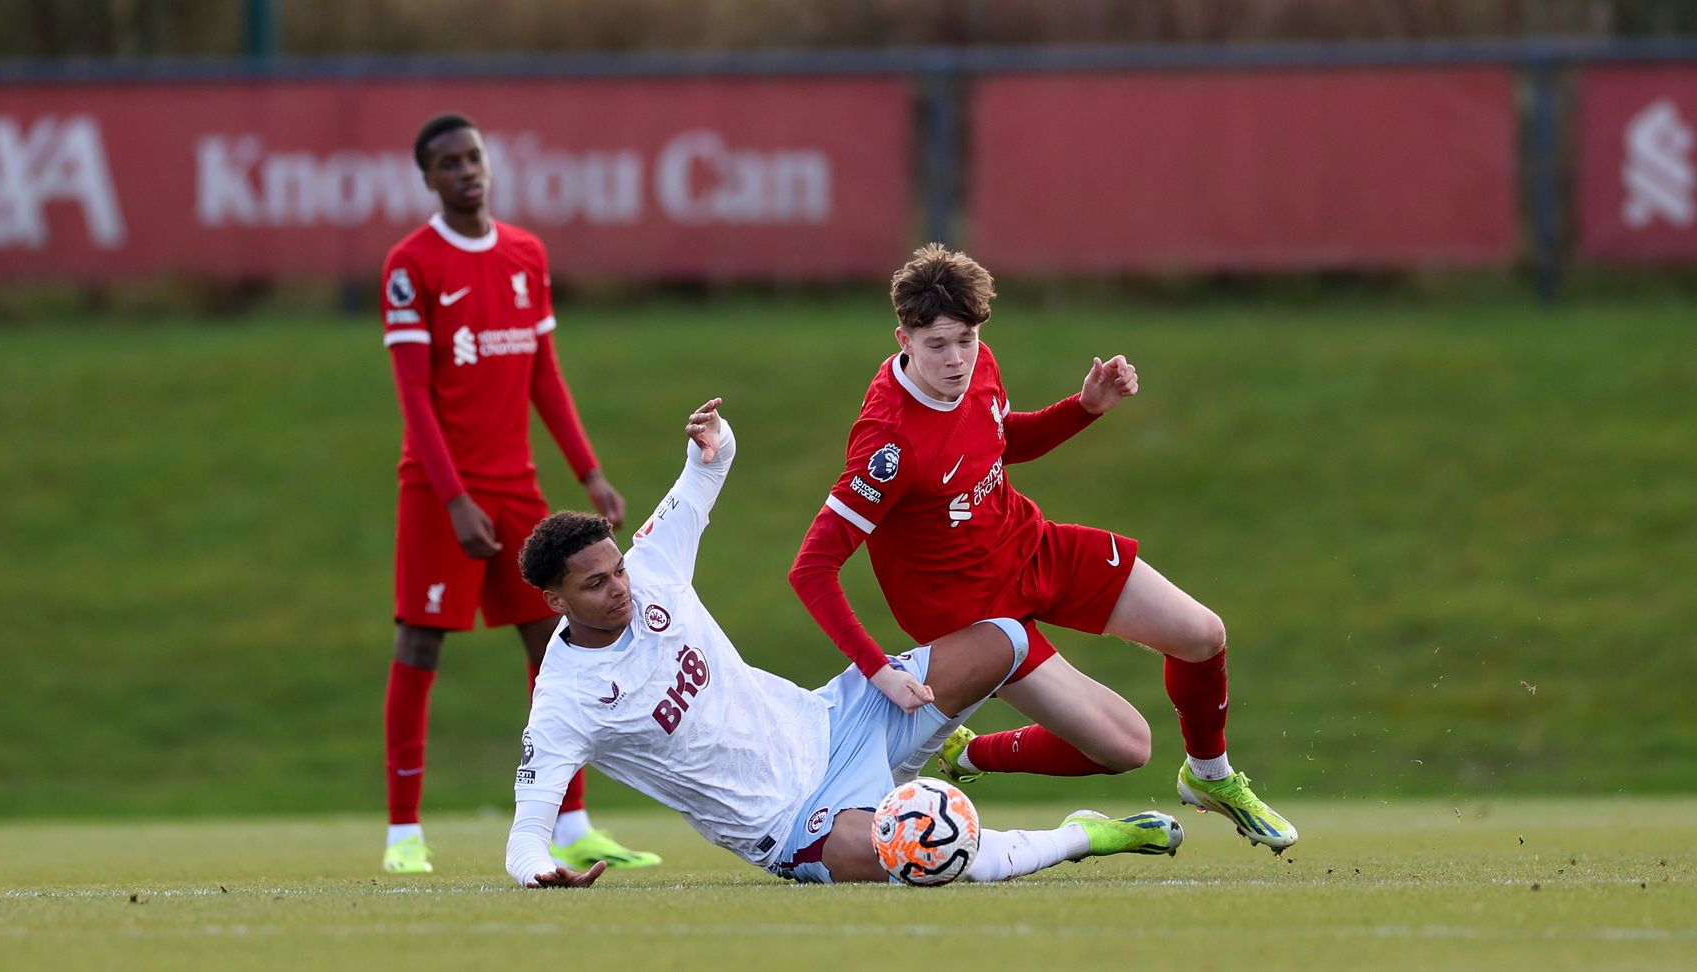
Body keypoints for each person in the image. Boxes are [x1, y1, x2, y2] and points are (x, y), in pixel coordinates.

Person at [505, 399, 1182, 888]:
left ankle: (961, 752)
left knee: (1003, 638)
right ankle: (1083, 835)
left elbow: (706, 474)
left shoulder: (650, 569)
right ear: (556, 601)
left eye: (617, 568)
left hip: (834, 719)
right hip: (795, 820)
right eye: (596, 585)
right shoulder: (565, 700)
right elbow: (526, 835)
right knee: (930, 860)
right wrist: (541, 871)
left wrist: (709, 442)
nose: (620, 588)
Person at [788, 244, 1297, 852]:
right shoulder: (888, 446)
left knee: (1202, 633)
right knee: (1127, 748)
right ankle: (972, 754)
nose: (956, 361)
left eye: (967, 340)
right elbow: (811, 569)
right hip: (974, 614)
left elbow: (1001, 442)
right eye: (937, 346)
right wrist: (880, 671)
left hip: (1029, 545)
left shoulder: (978, 367)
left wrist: (1084, 409)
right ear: (903, 338)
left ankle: (1211, 778)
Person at [377, 112, 657, 874]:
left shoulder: (525, 254)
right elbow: (415, 397)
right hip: (442, 491)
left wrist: (589, 470)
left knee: (559, 642)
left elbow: (544, 374)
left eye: (475, 156)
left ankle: (572, 823)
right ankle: (404, 835)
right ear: (428, 179)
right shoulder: (411, 266)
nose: (468, 170)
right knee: (420, 642)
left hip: (517, 486)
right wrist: (452, 497)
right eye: (450, 162)